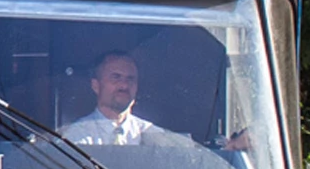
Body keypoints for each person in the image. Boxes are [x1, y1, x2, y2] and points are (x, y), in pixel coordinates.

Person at [62, 50, 250, 150]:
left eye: (130, 79)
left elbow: (194, 159)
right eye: (116, 77)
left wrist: (230, 148)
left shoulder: (153, 134)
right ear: (96, 85)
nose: (124, 85)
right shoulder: (75, 137)